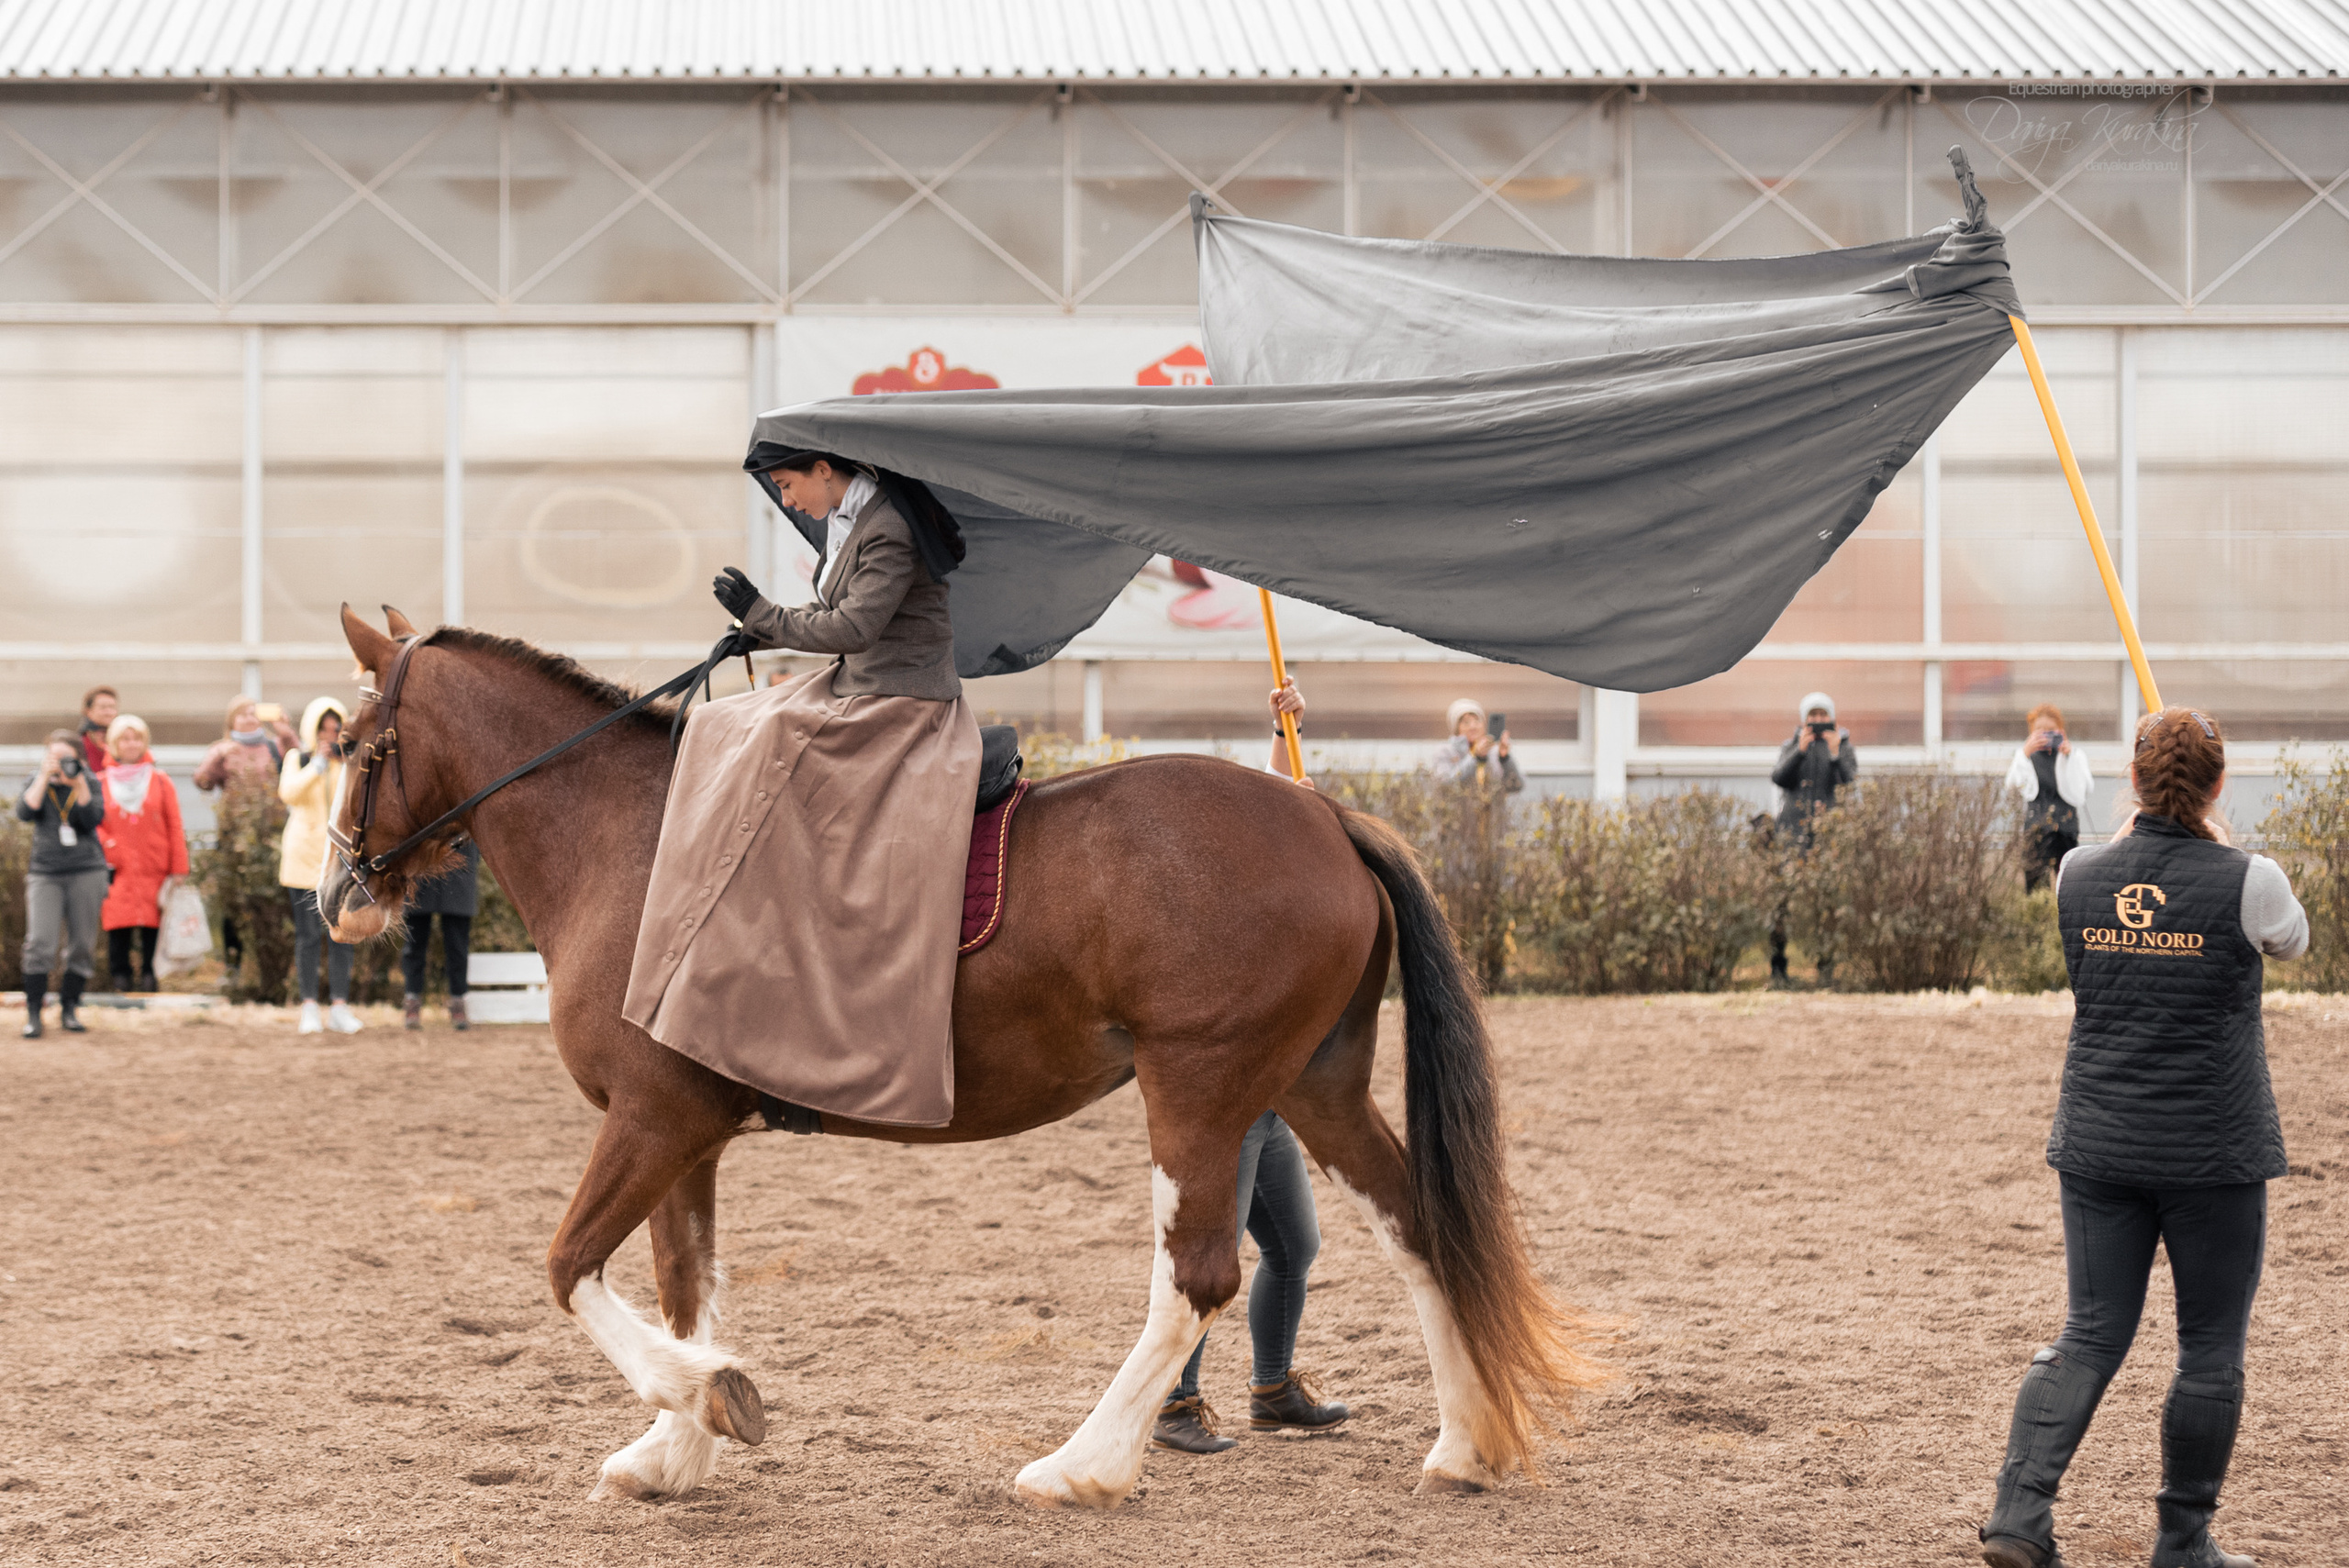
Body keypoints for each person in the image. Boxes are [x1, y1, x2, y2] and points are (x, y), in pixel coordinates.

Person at [1976, 706, 2306, 1568]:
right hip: (2213, 1150)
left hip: (2100, 1145)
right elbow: (2294, 940)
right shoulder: (2253, 878)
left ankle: (2019, 1515)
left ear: (2131, 779)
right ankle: (2183, 1539)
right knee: (2209, 1348)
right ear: (2218, 782)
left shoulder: (2076, 874)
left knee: (2090, 1330)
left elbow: (2125, 907)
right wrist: (2222, 848)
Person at [620, 446, 979, 1130]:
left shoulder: (887, 526)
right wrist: (752, 633)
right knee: (717, 723)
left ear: (822, 467)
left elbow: (853, 627)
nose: (788, 502)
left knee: (772, 753)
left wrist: (761, 614)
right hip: (859, 681)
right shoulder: (854, 517)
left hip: (900, 698)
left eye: (787, 486)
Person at [1152, 681, 1352, 1455]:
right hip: (1229, 1105)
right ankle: (1174, 1400)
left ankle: (1271, 1388)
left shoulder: (1282, 877)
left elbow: (1280, 792)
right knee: (1209, 1259)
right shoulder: (1231, 896)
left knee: (1295, 1247)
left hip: (1273, 1106)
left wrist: (1284, 728)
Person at [196, 695, 296, 980]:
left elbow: (300, 759)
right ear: (231, 721)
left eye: (254, 714)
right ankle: (233, 966)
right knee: (234, 904)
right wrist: (218, 756)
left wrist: (286, 732)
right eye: (242, 715)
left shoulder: (275, 746)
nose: (250, 719)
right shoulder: (223, 749)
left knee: (273, 905)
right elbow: (202, 782)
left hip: (271, 838)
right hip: (234, 841)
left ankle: (276, 969)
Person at [17, 729, 108, 1037]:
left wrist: (79, 782)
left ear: (78, 758)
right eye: (53, 757)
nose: (59, 764)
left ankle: (70, 1009)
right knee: (40, 942)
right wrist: (44, 778)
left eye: (65, 758)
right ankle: (34, 1014)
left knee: (82, 944)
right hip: (45, 872)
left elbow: (91, 819)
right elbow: (25, 812)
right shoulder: (36, 779)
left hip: (86, 870)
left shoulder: (89, 780)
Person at [279, 696, 362, 1035]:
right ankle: (309, 1007)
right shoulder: (297, 759)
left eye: (336, 728)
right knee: (308, 936)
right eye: (323, 729)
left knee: (343, 933)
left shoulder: (352, 763)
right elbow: (289, 794)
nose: (330, 735)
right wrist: (317, 765)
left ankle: (340, 1005)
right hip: (302, 858)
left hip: (341, 860)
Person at [1767, 690, 1859, 987]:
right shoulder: (1791, 745)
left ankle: (1826, 969)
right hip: (1791, 832)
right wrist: (1800, 750)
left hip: (1827, 833)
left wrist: (1834, 754)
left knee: (1828, 902)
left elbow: (1849, 781)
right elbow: (1779, 777)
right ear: (1804, 720)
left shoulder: (1842, 746)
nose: (1818, 722)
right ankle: (1778, 969)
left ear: (1831, 718)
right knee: (1782, 901)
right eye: (1813, 716)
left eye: (1823, 716)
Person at [94, 714, 187, 994]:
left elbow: (175, 825)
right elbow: (94, 824)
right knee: (118, 923)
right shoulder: (99, 782)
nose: (131, 744)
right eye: (125, 738)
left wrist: (179, 868)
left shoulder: (160, 781)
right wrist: (108, 848)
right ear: (114, 743)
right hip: (116, 869)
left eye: (136, 738)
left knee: (153, 924)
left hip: (154, 866)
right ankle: (120, 976)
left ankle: (150, 974)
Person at [2005, 703, 2094, 893]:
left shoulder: (2075, 756)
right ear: (2031, 732)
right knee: (2036, 885)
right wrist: (2024, 754)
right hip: (2035, 828)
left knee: (2068, 884)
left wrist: (2070, 757)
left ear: (2060, 731)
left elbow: (2084, 790)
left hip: (2066, 828)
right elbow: (2012, 787)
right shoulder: (2025, 758)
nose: (2045, 735)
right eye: (2039, 731)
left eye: (2050, 731)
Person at [403, 839, 479, 1030]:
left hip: (460, 871)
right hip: (421, 871)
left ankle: (458, 1002)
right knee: (413, 946)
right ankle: (412, 1001)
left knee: (458, 948)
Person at [1434, 697, 1523, 792]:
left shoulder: (1494, 752)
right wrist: (1475, 758)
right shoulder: (1446, 752)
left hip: (1493, 807)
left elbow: (1516, 787)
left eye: (1477, 721)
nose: (1473, 727)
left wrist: (1505, 759)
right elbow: (1445, 784)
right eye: (1466, 722)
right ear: (1456, 729)